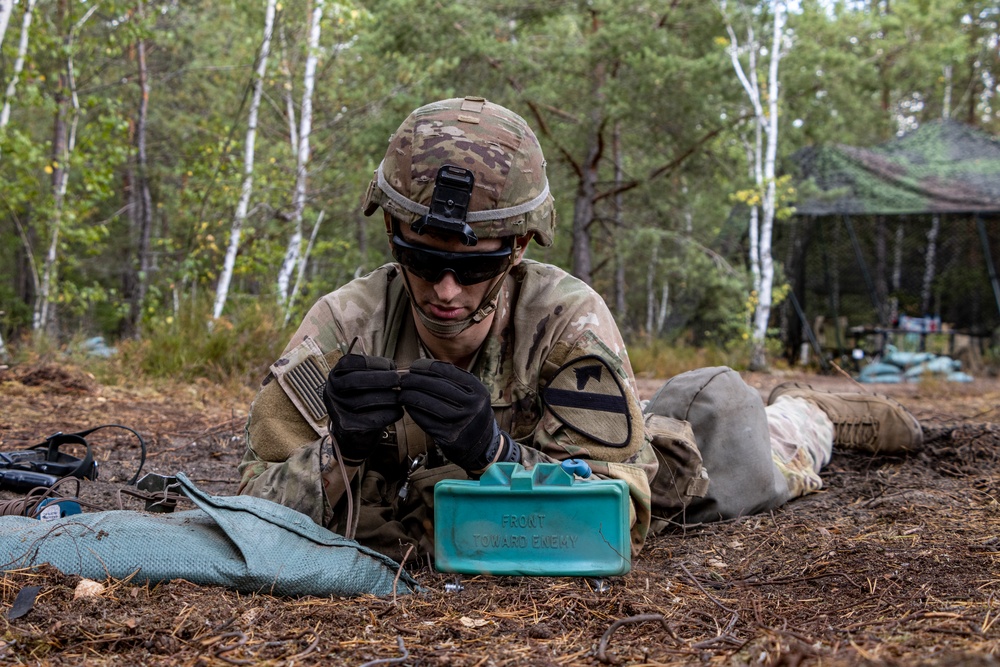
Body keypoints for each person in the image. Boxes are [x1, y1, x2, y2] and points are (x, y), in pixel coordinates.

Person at [237, 96, 923, 563]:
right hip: (470, 499)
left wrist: (494, 452)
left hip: (650, 464)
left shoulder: (566, 320)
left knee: (744, 457)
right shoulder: (344, 327)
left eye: (472, 268)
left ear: (515, 252)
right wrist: (340, 456)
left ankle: (815, 412)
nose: (445, 290)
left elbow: (616, 512)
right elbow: (241, 506)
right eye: (421, 261)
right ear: (391, 236)